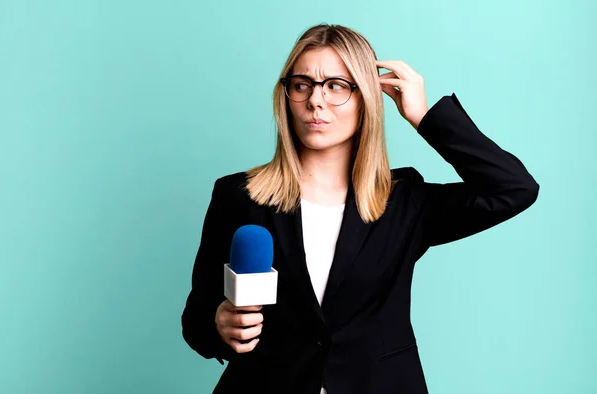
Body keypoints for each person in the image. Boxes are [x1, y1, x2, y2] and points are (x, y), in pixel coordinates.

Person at [180, 23, 539, 394]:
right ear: (286, 96)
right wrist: (217, 323)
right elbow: (196, 319)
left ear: (365, 97)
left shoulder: (406, 201)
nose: (315, 101)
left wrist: (425, 117)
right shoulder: (238, 196)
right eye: (302, 84)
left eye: (336, 85)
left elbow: (513, 188)